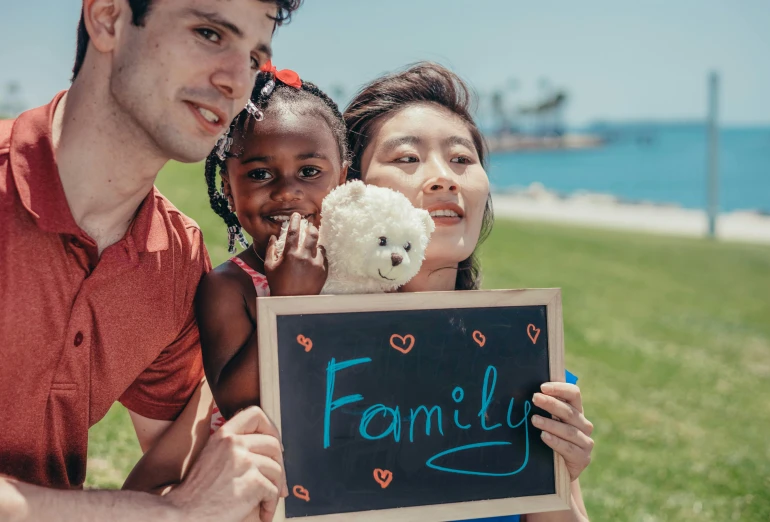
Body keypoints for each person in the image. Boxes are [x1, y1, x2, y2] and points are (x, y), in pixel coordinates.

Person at [0, 0, 301, 520]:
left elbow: (188, 475)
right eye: (209, 33)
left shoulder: (176, 258)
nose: (236, 82)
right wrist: (170, 513)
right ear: (109, 18)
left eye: (254, 58)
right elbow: (180, 506)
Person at [342, 61, 593, 522]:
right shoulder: (309, 359)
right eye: (407, 159)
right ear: (352, 190)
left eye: (461, 159)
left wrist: (560, 478)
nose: (444, 178)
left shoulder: (527, 370)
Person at [121, 63, 349, 489]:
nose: (287, 191)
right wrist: (285, 305)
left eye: (310, 171)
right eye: (260, 174)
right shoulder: (230, 286)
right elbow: (239, 403)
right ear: (228, 187)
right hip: (261, 479)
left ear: (345, 178)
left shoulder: (359, 274)